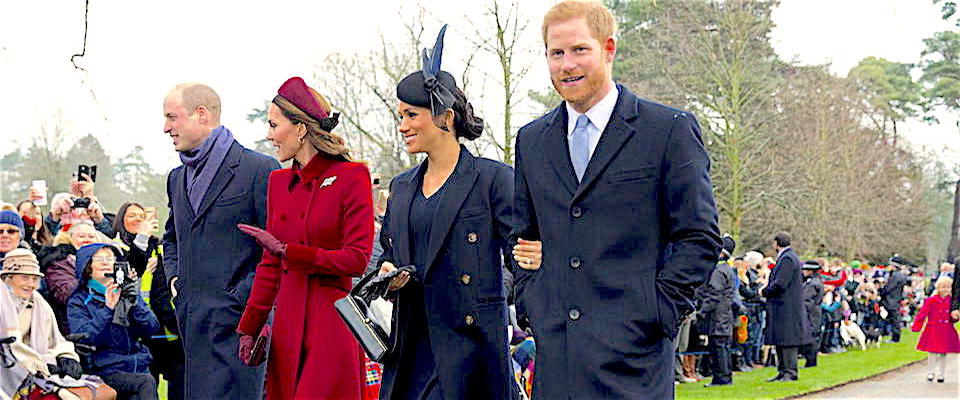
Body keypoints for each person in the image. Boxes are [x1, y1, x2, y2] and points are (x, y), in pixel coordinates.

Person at [510, 1, 722, 398]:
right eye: (557, 53)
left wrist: (658, 311)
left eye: (579, 50)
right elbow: (522, 236)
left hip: (635, 363)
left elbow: (699, 238)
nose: (567, 64)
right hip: (557, 363)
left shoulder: (667, 130)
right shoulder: (532, 140)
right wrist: (533, 302)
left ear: (608, 49)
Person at [374, 26, 518, 400]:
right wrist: (388, 273)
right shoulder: (402, 187)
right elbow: (390, 255)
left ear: (446, 117)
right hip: (411, 344)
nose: (402, 125)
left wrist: (491, 297)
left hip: (470, 344)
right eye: (399, 115)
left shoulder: (493, 179)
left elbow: (518, 259)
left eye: (410, 114)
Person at [235, 77, 373, 399]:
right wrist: (250, 326)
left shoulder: (352, 177)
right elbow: (270, 265)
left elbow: (357, 259)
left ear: (300, 127)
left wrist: (290, 252)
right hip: (286, 328)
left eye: (274, 125)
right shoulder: (278, 182)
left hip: (331, 324)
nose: (268, 135)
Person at [160, 82, 279, 399]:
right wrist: (176, 281)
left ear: (201, 114)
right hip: (192, 327)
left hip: (241, 328)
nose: (165, 127)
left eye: (172, 117)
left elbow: (276, 247)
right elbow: (171, 239)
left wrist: (241, 297)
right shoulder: (177, 178)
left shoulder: (259, 169)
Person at [0, 248, 116, 400]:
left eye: (35, 279)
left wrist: (66, 356)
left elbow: (56, 340)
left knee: (104, 392)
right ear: (8, 278)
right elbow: (10, 348)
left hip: (38, 370)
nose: (31, 284)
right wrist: (39, 365)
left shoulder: (38, 302)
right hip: (9, 374)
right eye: (24, 277)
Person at [68, 243, 160, 400]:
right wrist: (108, 309)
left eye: (110, 258)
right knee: (145, 383)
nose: (105, 262)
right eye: (99, 259)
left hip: (138, 364)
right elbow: (84, 337)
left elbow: (152, 328)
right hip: (104, 368)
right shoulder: (79, 300)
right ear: (88, 266)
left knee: (144, 382)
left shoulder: (127, 293)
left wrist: (135, 301)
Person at [113, 202, 183, 400]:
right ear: (121, 220)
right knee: (147, 386)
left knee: (179, 383)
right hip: (137, 330)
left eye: (141, 216)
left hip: (166, 328)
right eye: (132, 216)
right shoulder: (115, 246)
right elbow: (128, 269)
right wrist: (141, 238)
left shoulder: (158, 246)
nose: (138, 220)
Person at [760, 232, 809, 382]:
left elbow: (781, 283)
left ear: (777, 243)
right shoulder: (787, 257)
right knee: (781, 340)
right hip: (782, 307)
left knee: (787, 341)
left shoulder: (787, 258)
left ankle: (790, 371)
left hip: (786, 307)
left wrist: (765, 291)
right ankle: (782, 371)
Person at [40, 221, 101, 335]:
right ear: (68, 238)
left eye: (91, 236)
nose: (87, 239)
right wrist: (88, 274)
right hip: (73, 325)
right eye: (81, 236)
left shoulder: (106, 261)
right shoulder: (59, 262)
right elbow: (65, 294)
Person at [696, 237, 737, 387]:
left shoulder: (718, 271)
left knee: (718, 348)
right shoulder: (728, 269)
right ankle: (725, 377)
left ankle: (720, 378)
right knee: (724, 348)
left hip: (717, 316)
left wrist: (701, 311)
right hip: (725, 315)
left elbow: (714, 294)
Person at [912, 277, 959, 383]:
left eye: (947, 287)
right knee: (932, 352)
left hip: (946, 329)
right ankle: (930, 372)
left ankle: (942, 374)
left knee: (944, 353)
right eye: (943, 287)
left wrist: (956, 317)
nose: (945, 289)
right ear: (938, 288)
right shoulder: (931, 301)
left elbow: (954, 316)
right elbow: (922, 314)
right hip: (933, 329)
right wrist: (917, 326)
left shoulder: (952, 302)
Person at [798, 260, 824, 367]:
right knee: (814, 334)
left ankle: (810, 361)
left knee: (811, 335)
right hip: (815, 311)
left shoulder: (812, 284)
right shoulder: (816, 281)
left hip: (811, 312)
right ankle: (811, 360)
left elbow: (807, 300)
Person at [879, 257, 908, 343]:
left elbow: (888, 288)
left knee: (894, 319)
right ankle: (891, 335)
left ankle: (895, 338)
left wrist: (881, 291)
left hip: (891, 300)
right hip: (895, 299)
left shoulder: (896, 276)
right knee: (893, 318)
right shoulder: (899, 275)